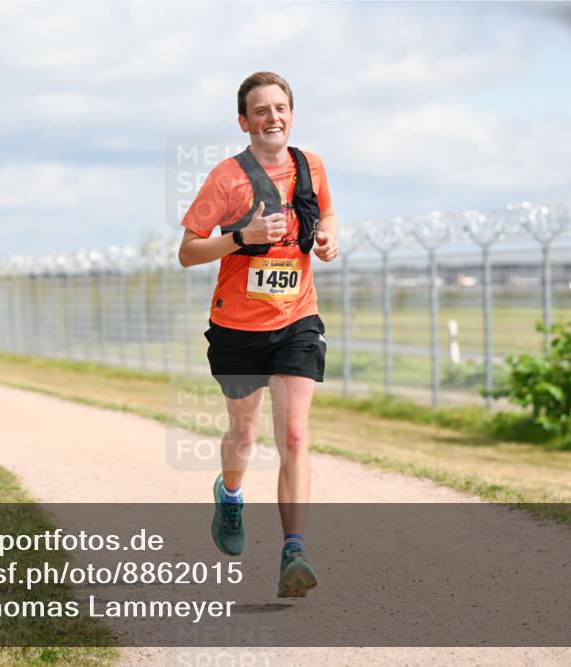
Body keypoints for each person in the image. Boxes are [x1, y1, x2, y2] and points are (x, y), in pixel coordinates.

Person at [177, 72, 339, 598]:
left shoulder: (311, 167)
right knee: (244, 437)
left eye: (280, 107)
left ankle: (295, 549)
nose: (273, 117)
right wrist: (240, 237)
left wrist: (330, 235)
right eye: (261, 110)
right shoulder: (227, 178)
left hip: (297, 319)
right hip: (237, 327)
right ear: (244, 122)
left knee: (293, 436)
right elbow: (187, 251)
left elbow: (328, 212)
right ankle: (229, 494)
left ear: (292, 114)